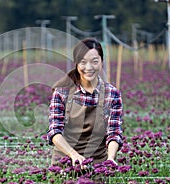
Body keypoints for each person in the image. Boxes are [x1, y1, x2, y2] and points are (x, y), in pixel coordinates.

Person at [47, 38, 123, 168]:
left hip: (98, 164)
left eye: (94, 62)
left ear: (101, 62)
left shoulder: (112, 94)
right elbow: (55, 132)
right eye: (83, 62)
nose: (89, 67)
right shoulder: (62, 92)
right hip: (65, 163)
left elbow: (114, 133)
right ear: (76, 63)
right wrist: (73, 155)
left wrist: (110, 158)